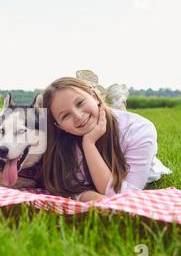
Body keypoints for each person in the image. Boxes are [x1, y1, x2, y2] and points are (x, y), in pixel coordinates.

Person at [42, 77, 171, 202]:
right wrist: (87, 196)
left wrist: (89, 144)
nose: (78, 116)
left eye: (80, 103)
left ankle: (118, 103)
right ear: (59, 126)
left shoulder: (138, 130)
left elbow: (123, 196)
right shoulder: (65, 142)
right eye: (65, 115)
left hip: (138, 174)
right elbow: (68, 187)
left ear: (94, 96)